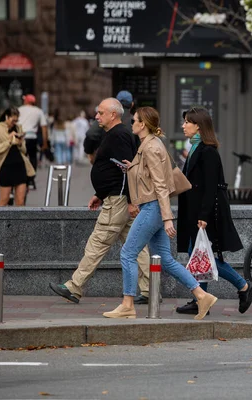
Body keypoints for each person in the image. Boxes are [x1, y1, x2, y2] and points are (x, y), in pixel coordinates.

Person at [103, 106, 217, 319]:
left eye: (134, 120)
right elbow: (152, 176)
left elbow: (161, 186)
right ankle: (202, 295)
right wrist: (133, 168)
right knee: (165, 259)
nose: (132, 124)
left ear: (142, 124)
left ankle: (128, 303)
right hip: (153, 207)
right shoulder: (149, 145)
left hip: (153, 207)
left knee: (127, 253)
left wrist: (166, 218)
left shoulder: (150, 148)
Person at [49, 98, 151, 304]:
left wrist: (130, 201)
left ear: (113, 114)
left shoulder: (119, 135)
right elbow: (115, 169)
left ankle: (74, 286)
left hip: (118, 201)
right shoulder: (116, 134)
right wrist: (100, 194)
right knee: (137, 245)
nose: (96, 117)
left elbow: (126, 171)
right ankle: (150, 289)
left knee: (97, 243)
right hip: (117, 198)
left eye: (101, 113)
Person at [175, 107, 252, 316]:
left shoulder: (208, 151)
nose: (183, 126)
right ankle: (200, 299)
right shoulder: (195, 148)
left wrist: (203, 216)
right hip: (195, 212)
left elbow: (211, 187)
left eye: (187, 122)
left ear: (198, 126)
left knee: (206, 257)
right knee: (201, 255)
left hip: (205, 214)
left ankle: (243, 287)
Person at [0, 107, 34, 206]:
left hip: (20, 165)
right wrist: (9, 141)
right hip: (5, 166)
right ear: (6, 117)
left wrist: (20, 142)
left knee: (20, 200)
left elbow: (24, 150)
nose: (15, 122)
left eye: (16, 120)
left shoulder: (18, 127)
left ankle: (19, 222)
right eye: (13, 120)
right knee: (4, 200)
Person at [18, 94, 47, 188]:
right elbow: (44, 127)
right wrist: (45, 142)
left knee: (22, 158)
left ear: (26, 101)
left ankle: (22, 178)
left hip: (21, 136)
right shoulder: (38, 111)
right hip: (32, 136)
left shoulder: (19, 109)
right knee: (32, 158)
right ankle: (31, 179)